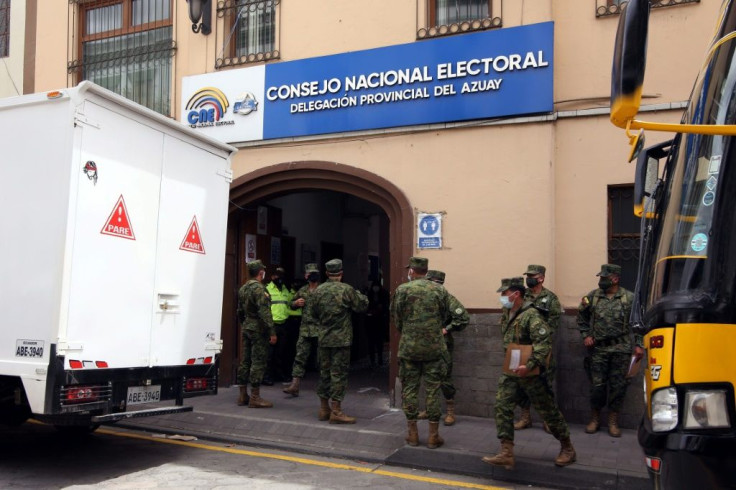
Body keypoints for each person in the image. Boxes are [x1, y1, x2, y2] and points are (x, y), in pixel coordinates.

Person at [483, 277, 575, 469]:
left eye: (504, 293)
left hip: (531, 372)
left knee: (547, 411)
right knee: (502, 406)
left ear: (516, 294)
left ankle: (567, 448)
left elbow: (543, 345)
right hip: (511, 370)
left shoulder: (532, 315)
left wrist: (530, 365)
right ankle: (506, 452)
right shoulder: (508, 312)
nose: (502, 297)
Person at [391, 257, 451, 449]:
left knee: (410, 390)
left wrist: (409, 332)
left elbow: (396, 317)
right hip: (433, 348)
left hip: (409, 348)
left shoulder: (402, 290)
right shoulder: (439, 290)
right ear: (426, 270)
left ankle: (413, 434)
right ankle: (434, 436)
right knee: (433, 391)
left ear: (412, 271)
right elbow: (444, 315)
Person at [577, 264, 644, 437]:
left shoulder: (629, 298)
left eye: (604, 278)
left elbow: (637, 324)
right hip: (598, 349)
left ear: (615, 278)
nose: (601, 281)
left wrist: (638, 344)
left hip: (621, 349)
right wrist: (586, 335)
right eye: (600, 278)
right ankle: (595, 418)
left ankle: (613, 421)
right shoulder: (592, 297)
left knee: (618, 387)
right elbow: (581, 317)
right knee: (597, 386)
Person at [311, 258, 369, 424]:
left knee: (324, 373)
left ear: (327, 273)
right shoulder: (347, 290)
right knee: (338, 374)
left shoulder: (318, 291)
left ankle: (323, 409)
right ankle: (336, 411)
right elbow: (361, 306)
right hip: (341, 340)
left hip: (323, 338)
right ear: (341, 273)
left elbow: (313, 313)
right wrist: (360, 295)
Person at [514, 264, 563, 433]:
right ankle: (525, 417)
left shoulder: (550, 298)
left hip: (541, 347)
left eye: (532, 276)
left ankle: (548, 419)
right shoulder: (522, 295)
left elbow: (553, 323)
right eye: (527, 275)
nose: (529, 278)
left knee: (545, 384)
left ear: (541, 278)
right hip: (522, 346)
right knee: (521, 383)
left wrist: (538, 340)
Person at [425, 269, 469, 426]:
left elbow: (463, 318)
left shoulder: (448, 299)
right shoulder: (424, 299)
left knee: (444, 377)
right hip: (426, 343)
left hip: (443, 344)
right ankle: (430, 408)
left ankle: (450, 411)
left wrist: (447, 329)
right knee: (428, 375)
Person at [236, 260, 278, 408]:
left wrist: (245, 324)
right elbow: (264, 312)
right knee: (258, 361)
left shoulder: (243, 289)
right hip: (259, 330)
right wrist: (272, 331)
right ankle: (255, 397)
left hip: (247, 327)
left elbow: (240, 311)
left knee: (245, 361)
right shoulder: (260, 289)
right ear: (261, 272)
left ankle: (242, 395)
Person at [283, 263, 321, 397]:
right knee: (300, 356)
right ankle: (295, 385)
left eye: (311, 273)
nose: (309, 276)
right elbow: (290, 303)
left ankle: (325, 388)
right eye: (308, 274)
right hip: (305, 329)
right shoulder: (303, 290)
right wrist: (296, 303)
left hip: (321, 329)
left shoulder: (323, 290)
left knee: (323, 359)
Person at [265, 267, 293, 384]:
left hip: (283, 325)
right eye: (277, 275)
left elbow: (289, 305)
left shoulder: (286, 290)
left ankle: (278, 374)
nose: (279, 278)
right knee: (269, 354)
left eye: (281, 275)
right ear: (272, 277)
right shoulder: (267, 289)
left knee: (280, 353)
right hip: (272, 325)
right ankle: (267, 377)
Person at [364, 279, 390, 369]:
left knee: (379, 342)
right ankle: (372, 360)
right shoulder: (369, 294)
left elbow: (387, 306)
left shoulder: (384, 294)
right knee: (371, 342)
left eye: (377, 286)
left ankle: (380, 358)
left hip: (380, 321)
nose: (375, 288)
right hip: (371, 321)